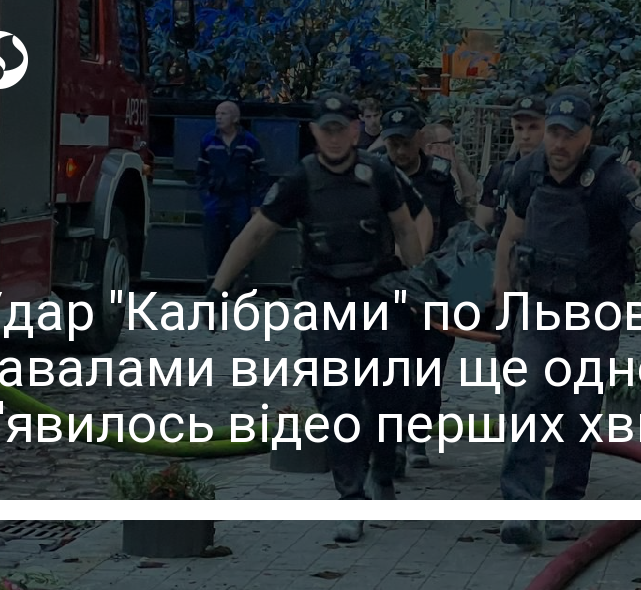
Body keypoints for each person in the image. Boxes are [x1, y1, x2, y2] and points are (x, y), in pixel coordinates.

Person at [203, 91, 424, 542]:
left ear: (355, 131)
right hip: (326, 298)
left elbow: (405, 226)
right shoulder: (300, 180)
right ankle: (350, 497)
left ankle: (383, 469)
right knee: (338, 402)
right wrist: (218, 289)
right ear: (314, 133)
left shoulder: (379, 174)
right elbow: (256, 233)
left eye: (342, 129)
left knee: (388, 398)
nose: (334, 138)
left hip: (378, 294)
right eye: (326, 130)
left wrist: (419, 289)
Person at [492, 86, 641, 547]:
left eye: (569, 135)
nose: (559, 144)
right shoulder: (526, 173)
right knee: (529, 397)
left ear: (587, 136)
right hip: (539, 304)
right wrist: (502, 302)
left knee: (578, 409)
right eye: (554, 133)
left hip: (595, 309)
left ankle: (564, 504)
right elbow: (510, 238)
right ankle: (520, 508)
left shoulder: (611, 179)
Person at [379, 106, 466, 471]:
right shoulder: (374, 173)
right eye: (393, 144)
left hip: (432, 287)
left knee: (429, 364)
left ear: (419, 138)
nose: (400, 152)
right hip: (386, 285)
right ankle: (394, 441)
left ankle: (417, 434)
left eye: (405, 143)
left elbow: (457, 230)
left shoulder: (439, 177)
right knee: (390, 365)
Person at [476, 95, 546, 417]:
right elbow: (483, 222)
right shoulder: (501, 172)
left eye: (533, 127)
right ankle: (513, 421)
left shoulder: (556, 171)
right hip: (509, 272)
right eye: (519, 128)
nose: (525, 135)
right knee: (507, 353)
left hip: (543, 275)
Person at [193, 101, 272, 294]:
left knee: (242, 240)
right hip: (215, 198)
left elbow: (261, 174)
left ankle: (241, 284)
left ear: (235, 118)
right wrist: (205, 196)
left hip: (240, 199)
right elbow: (201, 172)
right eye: (217, 113)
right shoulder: (208, 141)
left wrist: (256, 202)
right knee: (213, 241)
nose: (218, 117)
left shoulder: (249, 142)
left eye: (224, 114)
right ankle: (213, 284)